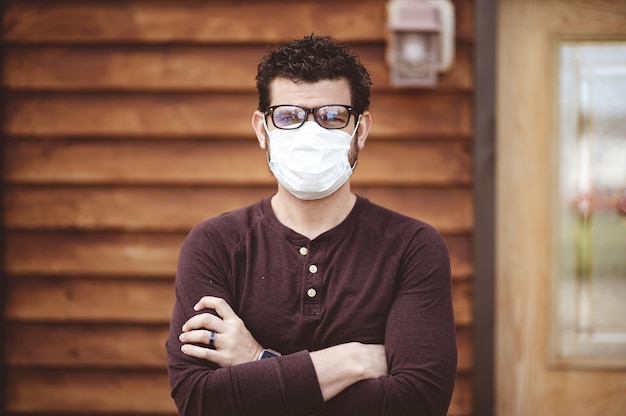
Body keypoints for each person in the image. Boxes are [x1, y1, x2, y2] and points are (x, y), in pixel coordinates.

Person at [166, 34, 457, 416]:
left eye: (332, 116)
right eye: (288, 116)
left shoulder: (413, 246)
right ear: (262, 130)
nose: (310, 133)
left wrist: (257, 362)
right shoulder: (216, 244)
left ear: (361, 130)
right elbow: (199, 398)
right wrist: (350, 361)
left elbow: (418, 401)